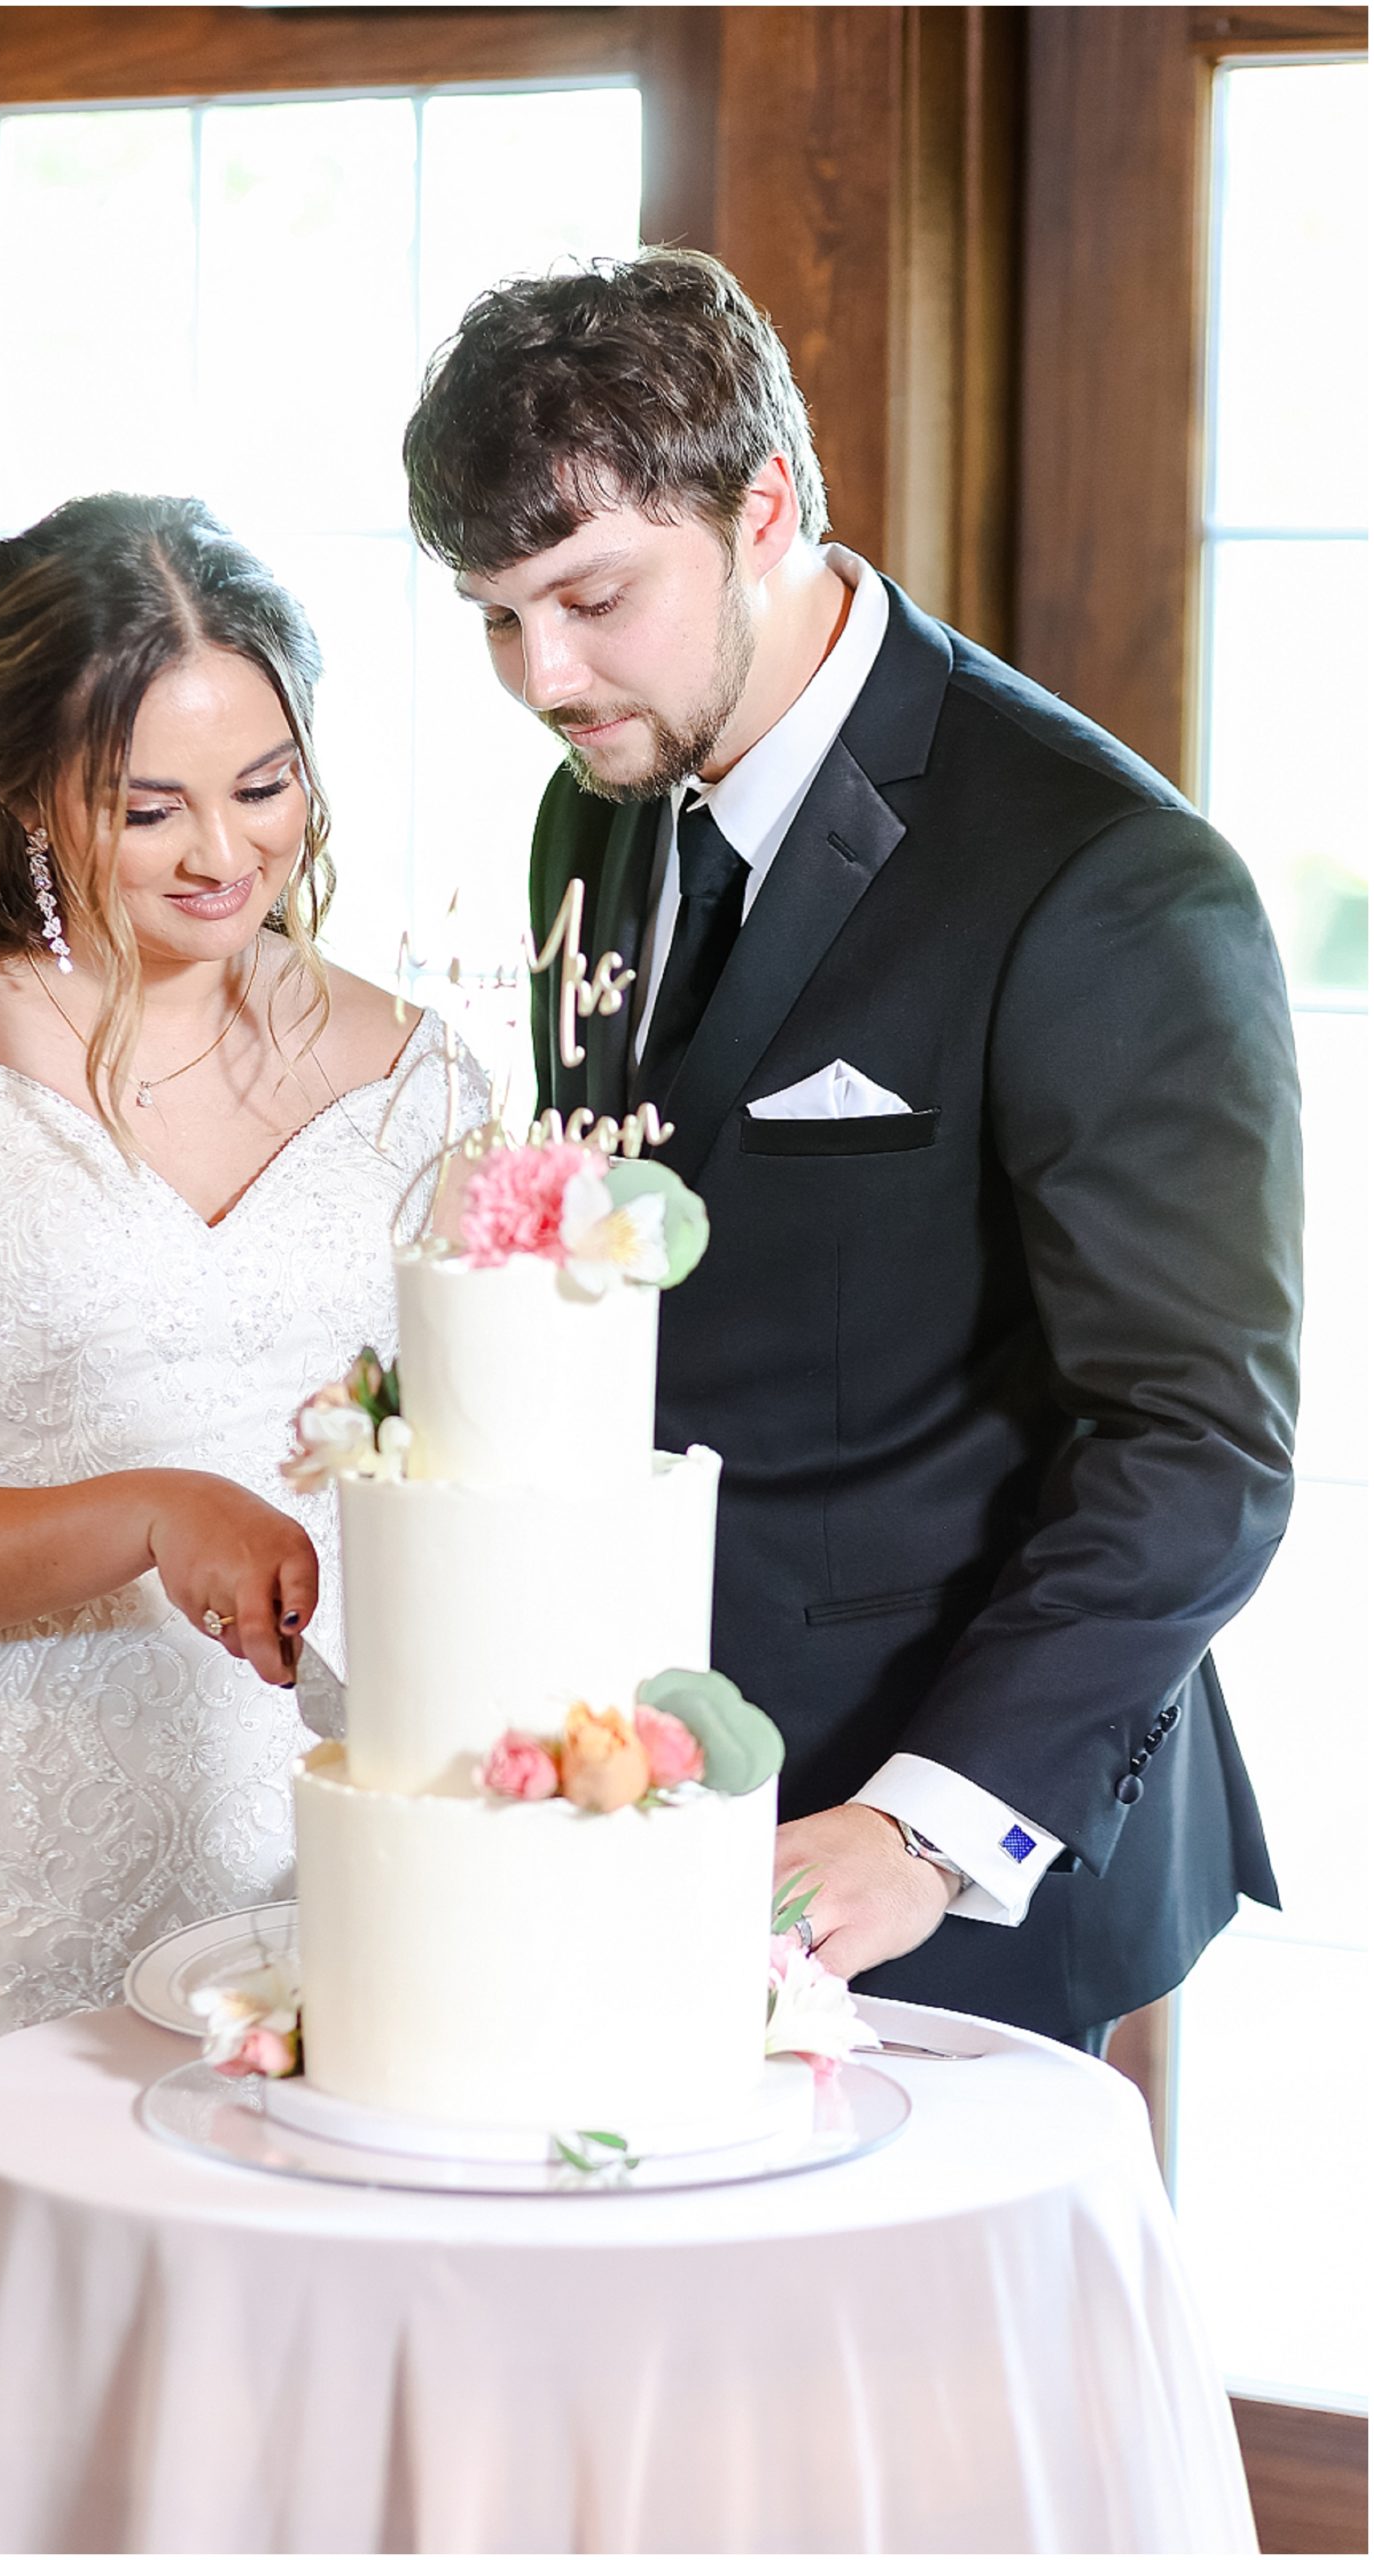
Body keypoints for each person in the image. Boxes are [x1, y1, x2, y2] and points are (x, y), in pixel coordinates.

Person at [0, 492, 486, 2554]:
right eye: (151, 807)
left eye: (266, 783)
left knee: (246, 2434)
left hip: (287, 1842)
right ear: (33, 786)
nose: (226, 853)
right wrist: (149, 1508)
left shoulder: (422, 1082)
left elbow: (466, 1484)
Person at [402, 250, 1302, 2053]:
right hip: (625, 1798)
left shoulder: (1103, 880)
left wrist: (926, 1820)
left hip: (928, 1851)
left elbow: (1195, 1442)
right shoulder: (596, 807)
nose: (542, 676)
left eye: (589, 596)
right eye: (495, 616)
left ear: (765, 511)